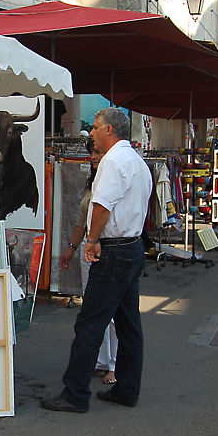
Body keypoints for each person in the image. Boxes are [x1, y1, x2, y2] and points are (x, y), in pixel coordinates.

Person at [41, 108, 152, 413]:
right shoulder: (137, 162)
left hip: (115, 250)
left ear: (110, 131)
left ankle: (75, 393)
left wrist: (91, 241)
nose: (91, 132)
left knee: (90, 323)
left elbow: (101, 207)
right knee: (129, 325)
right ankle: (127, 389)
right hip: (130, 247)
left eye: (96, 127)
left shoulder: (114, 162)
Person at [59, 142, 117, 386]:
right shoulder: (93, 181)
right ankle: (101, 359)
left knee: (112, 311)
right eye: (93, 152)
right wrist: (71, 249)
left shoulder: (114, 178)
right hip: (89, 249)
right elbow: (82, 221)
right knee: (92, 306)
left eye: (99, 152)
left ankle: (114, 363)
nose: (94, 157)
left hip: (108, 248)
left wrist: (94, 242)